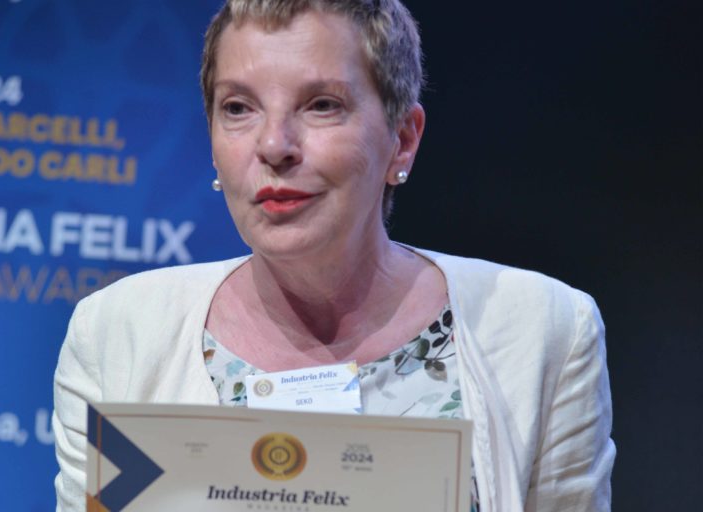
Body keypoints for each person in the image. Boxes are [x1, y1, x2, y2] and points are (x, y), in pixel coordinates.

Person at [52, 1, 615, 511]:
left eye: (321, 105)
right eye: (239, 108)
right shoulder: (117, 335)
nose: (274, 145)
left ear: (403, 139)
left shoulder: (543, 331)